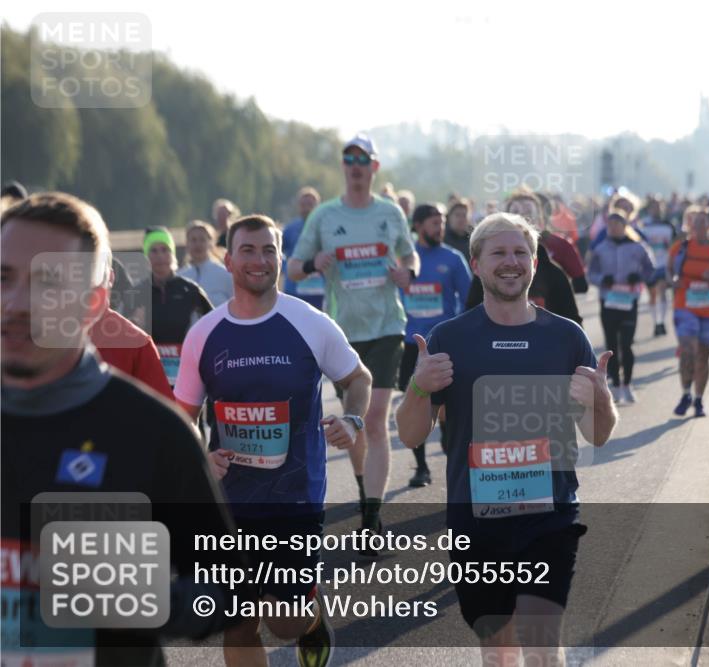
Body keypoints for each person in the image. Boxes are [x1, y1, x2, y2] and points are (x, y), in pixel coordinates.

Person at [1, 192, 246, 665]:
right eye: (3, 277)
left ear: (93, 303)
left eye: (46, 282)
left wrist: (144, 599)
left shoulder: (153, 432)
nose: (15, 302)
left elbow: (225, 591)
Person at [395, 212, 617, 667]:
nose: (511, 262)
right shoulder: (449, 338)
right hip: (476, 522)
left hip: (549, 517)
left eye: (521, 252)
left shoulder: (565, 337)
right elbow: (410, 432)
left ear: (535, 263)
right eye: (499, 253)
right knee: (498, 654)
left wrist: (600, 400)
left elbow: (597, 434)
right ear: (476, 264)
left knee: (540, 649)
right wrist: (419, 387)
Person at [174, 214, 371, 667]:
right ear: (228, 259)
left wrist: (354, 418)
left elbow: (357, 378)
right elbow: (182, 415)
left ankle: (310, 617)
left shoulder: (309, 322)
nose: (259, 260)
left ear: (281, 258)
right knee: (238, 622)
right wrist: (201, 456)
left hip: (294, 498)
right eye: (248, 250)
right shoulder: (204, 334)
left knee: (282, 621)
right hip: (229, 503)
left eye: (269, 250)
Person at [287, 132, 418, 543]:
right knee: (355, 425)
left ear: (374, 167)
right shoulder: (324, 216)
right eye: (349, 158)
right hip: (343, 332)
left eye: (363, 159)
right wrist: (313, 262)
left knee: (375, 419)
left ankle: (372, 517)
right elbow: (291, 268)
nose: (356, 165)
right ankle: (365, 490)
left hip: (386, 327)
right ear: (344, 167)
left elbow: (409, 253)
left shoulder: (389, 212)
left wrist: (407, 271)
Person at [399, 203, 472, 487]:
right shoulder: (405, 261)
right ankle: (421, 468)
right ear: (417, 226)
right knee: (416, 404)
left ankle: (448, 447)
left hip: (444, 345)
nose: (439, 227)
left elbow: (468, 301)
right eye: (433, 222)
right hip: (410, 344)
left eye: (441, 222)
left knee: (445, 410)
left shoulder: (453, 259)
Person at [667, 205, 709, 418]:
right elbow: (668, 273)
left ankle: (698, 400)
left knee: (703, 356)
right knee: (687, 350)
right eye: (694, 223)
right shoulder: (679, 248)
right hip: (685, 305)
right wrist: (673, 282)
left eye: (702, 224)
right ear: (690, 225)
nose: (698, 227)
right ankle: (685, 393)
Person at [131, 227, 213, 387]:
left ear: (173, 254)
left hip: (186, 376)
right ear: (146, 256)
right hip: (149, 376)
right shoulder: (136, 292)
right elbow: (119, 334)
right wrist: (135, 324)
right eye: (153, 251)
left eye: (165, 250)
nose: (160, 256)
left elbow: (214, 327)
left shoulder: (190, 290)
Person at [588, 210, 655, 404]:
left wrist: (639, 277)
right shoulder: (600, 249)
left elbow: (651, 270)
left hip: (628, 300)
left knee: (626, 344)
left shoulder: (638, 248)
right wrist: (602, 279)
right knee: (611, 344)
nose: (613, 228)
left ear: (625, 226)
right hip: (608, 300)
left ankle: (627, 384)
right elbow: (591, 274)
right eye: (610, 225)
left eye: (617, 225)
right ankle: (615, 385)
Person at [90, 258, 175, 400]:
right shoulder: (44, 337)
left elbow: (161, 415)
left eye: (95, 272)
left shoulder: (138, 343)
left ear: (110, 277)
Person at [509, 190, 588, 295]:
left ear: (540, 216)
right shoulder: (494, 246)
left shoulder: (560, 245)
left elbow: (581, 285)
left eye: (528, 212)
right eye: (516, 213)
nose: (522, 218)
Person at [281, 186, 326, 310]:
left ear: (318, 205)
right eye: (303, 204)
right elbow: (276, 252)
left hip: (320, 291)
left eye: (310, 204)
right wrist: (286, 267)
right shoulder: (290, 229)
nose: (306, 208)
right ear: (298, 206)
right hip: (294, 291)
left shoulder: (327, 228)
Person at [639, 199, 676, 337]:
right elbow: (641, 244)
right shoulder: (644, 226)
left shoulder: (668, 226)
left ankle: (661, 321)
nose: (657, 210)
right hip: (649, 265)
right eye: (654, 207)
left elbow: (675, 243)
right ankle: (656, 322)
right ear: (649, 210)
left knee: (662, 291)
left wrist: (670, 248)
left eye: (659, 207)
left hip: (663, 264)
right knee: (652, 295)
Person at [178, 220, 234, 306]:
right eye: (193, 240)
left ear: (211, 243)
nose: (198, 244)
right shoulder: (179, 277)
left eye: (202, 239)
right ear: (187, 244)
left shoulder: (225, 275)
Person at [444, 198, 472, 263]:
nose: (461, 219)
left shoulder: (474, 239)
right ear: (450, 217)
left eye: (464, 215)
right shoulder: (442, 239)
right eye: (457, 215)